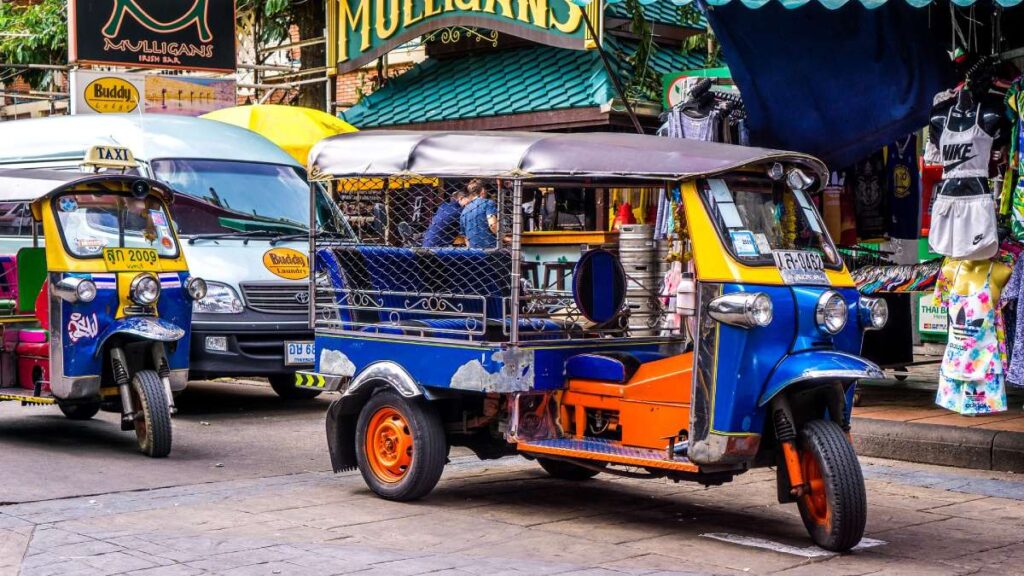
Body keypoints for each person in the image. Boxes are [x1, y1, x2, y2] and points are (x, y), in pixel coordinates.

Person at [459, 179, 498, 248]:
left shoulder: (464, 210)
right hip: (490, 248)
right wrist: (504, 238)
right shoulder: (488, 203)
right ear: (483, 190)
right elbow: (493, 225)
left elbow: (465, 237)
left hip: (473, 251)